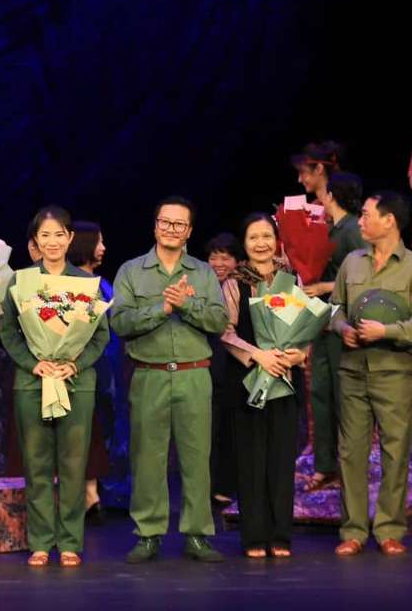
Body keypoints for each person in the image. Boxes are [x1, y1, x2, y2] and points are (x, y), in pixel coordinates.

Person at [109, 196, 228, 564]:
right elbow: (120, 322)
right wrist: (161, 308)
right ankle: (148, 534)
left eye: (179, 224)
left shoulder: (203, 273)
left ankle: (197, 534)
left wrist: (186, 305)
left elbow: (219, 321)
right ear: (155, 225)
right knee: (148, 459)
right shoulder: (132, 271)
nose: (171, 229)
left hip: (194, 374)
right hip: (150, 374)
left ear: (189, 231)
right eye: (166, 222)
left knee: (196, 459)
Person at [1, 205, 111, 567]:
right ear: (35, 240)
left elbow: (100, 336)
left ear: (69, 238)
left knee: (74, 465)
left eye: (59, 234)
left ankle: (69, 542)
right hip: (32, 383)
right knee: (36, 465)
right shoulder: (20, 282)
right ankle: (40, 541)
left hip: (76, 382)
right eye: (44, 235)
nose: (52, 241)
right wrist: (33, 363)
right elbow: (8, 332)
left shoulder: (87, 283)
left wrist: (74, 363)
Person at [330, 191, 412, 556]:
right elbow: (334, 308)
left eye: (366, 215)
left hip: (394, 371)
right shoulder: (352, 262)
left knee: (395, 450)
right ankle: (354, 530)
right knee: (351, 452)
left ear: (389, 220)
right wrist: (342, 328)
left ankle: (389, 528)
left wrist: (386, 331)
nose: (360, 221)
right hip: (352, 370)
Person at [220, 213, 309, 559]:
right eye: (253, 237)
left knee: (282, 459)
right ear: (244, 244)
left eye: (267, 236)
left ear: (276, 240)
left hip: (285, 377)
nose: (261, 243)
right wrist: (258, 355)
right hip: (248, 380)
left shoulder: (291, 278)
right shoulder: (234, 283)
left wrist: (299, 353)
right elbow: (225, 332)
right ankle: (254, 536)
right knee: (251, 459)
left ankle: (281, 535)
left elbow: (305, 325)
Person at [304, 171, 366, 490]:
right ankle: (325, 465)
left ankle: (348, 465)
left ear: (332, 195)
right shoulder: (331, 228)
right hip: (323, 319)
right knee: (320, 393)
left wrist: (324, 286)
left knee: (343, 396)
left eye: (324, 194)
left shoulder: (353, 228)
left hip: (345, 320)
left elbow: (364, 274)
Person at [66, 220, 111, 521]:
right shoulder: (72, 282)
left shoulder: (99, 282)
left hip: (103, 363)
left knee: (96, 428)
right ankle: (87, 494)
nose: (103, 248)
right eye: (98, 241)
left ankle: (92, 491)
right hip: (78, 366)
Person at [205, 232, 243, 506]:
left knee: (231, 429)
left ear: (237, 261)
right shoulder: (200, 286)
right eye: (213, 257)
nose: (219, 263)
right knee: (209, 430)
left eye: (226, 257)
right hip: (208, 367)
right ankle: (207, 486)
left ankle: (226, 485)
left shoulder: (242, 287)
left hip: (237, 367)